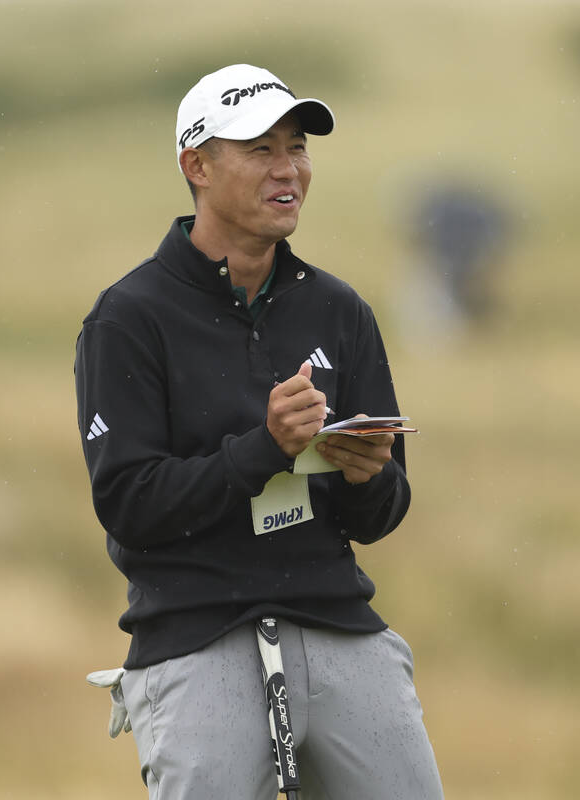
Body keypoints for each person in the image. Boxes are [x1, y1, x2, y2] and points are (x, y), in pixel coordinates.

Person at [74, 63, 444, 800]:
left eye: (297, 147)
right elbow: (130, 505)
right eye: (260, 150)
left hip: (336, 620)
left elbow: (384, 513)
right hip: (194, 633)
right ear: (197, 165)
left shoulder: (341, 311)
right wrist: (263, 450)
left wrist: (368, 475)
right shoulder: (129, 318)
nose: (289, 170)